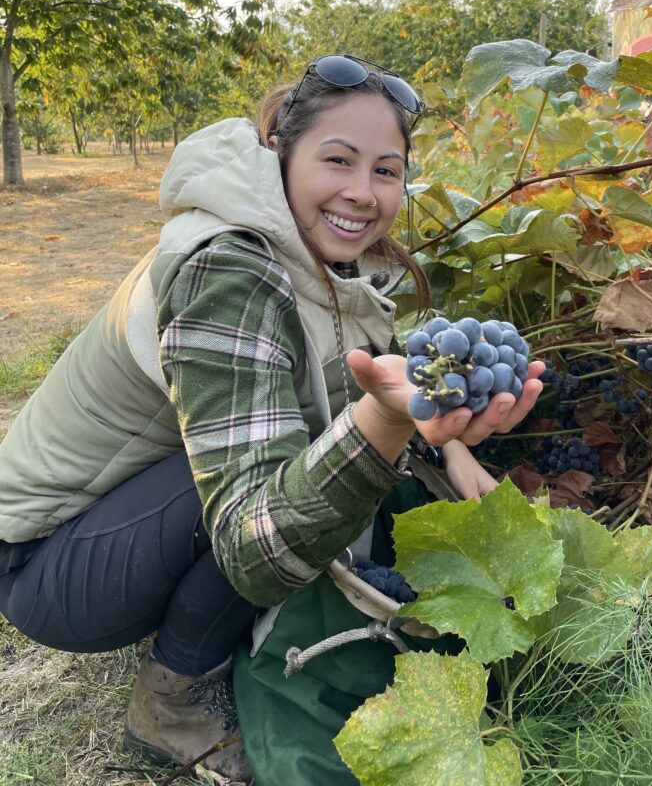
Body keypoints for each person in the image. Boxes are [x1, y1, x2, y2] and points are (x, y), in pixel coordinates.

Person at [0, 54, 544, 782]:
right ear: (280, 153)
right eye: (338, 160)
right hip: (47, 565)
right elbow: (256, 543)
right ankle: (171, 698)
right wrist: (384, 427)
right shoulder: (228, 271)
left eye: (386, 170)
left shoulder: (310, 249)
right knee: (273, 489)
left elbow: (353, 367)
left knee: (304, 461)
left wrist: (452, 450)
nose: (363, 191)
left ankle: (189, 629)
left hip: (115, 524)